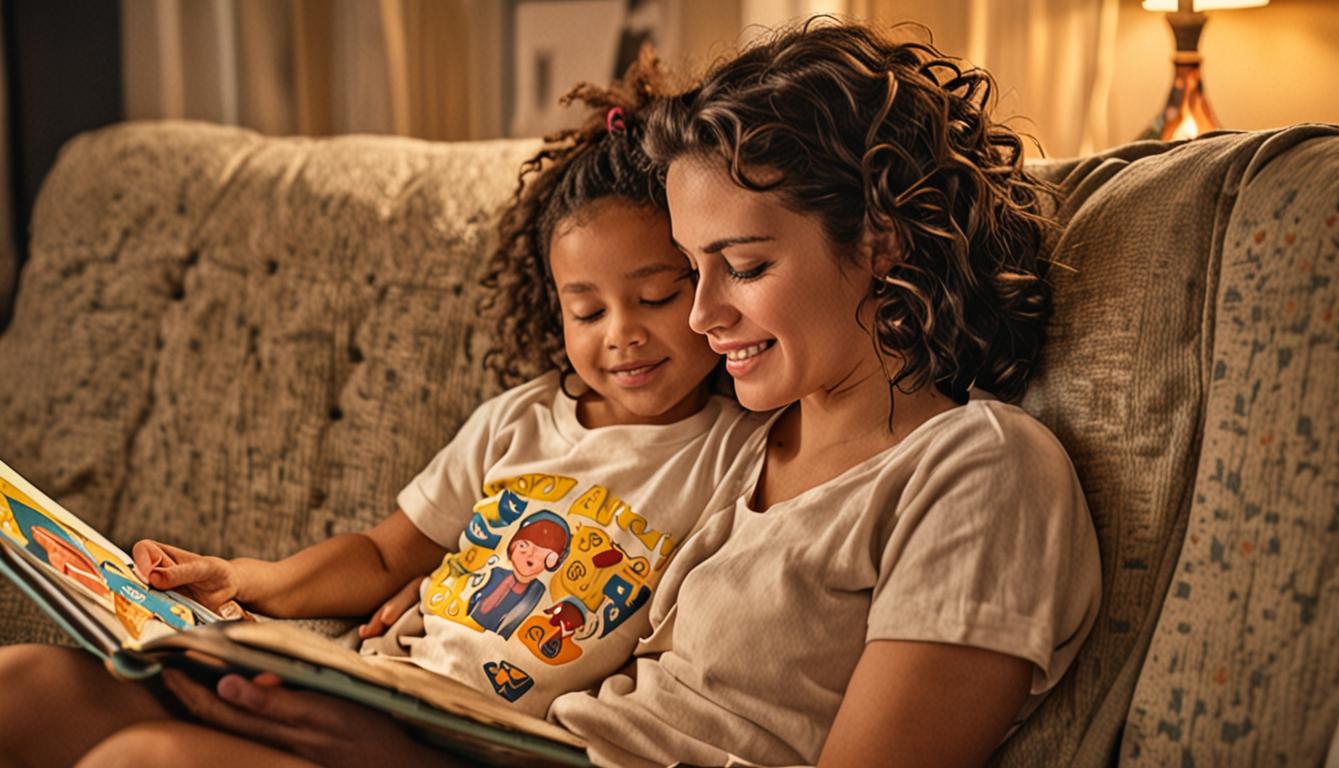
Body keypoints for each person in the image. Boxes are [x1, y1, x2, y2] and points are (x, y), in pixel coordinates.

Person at [42, 19, 1104, 768]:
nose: (696, 320)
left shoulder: (979, 471)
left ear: (880, 241)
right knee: (32, 688)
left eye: (738, 266)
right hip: (491, 735)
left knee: (145, 759)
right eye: (690, 270)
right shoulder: (740, 434)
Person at [0, 53, 769, 766]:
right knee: (22, 682)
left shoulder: (742, 454)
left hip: (447, 751)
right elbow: (379, 557)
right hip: (369, 686)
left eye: (657, 296)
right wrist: (241, 579)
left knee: (143, 761)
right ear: (551, 309)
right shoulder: (521, 420)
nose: (622, 335)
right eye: (586, 310)